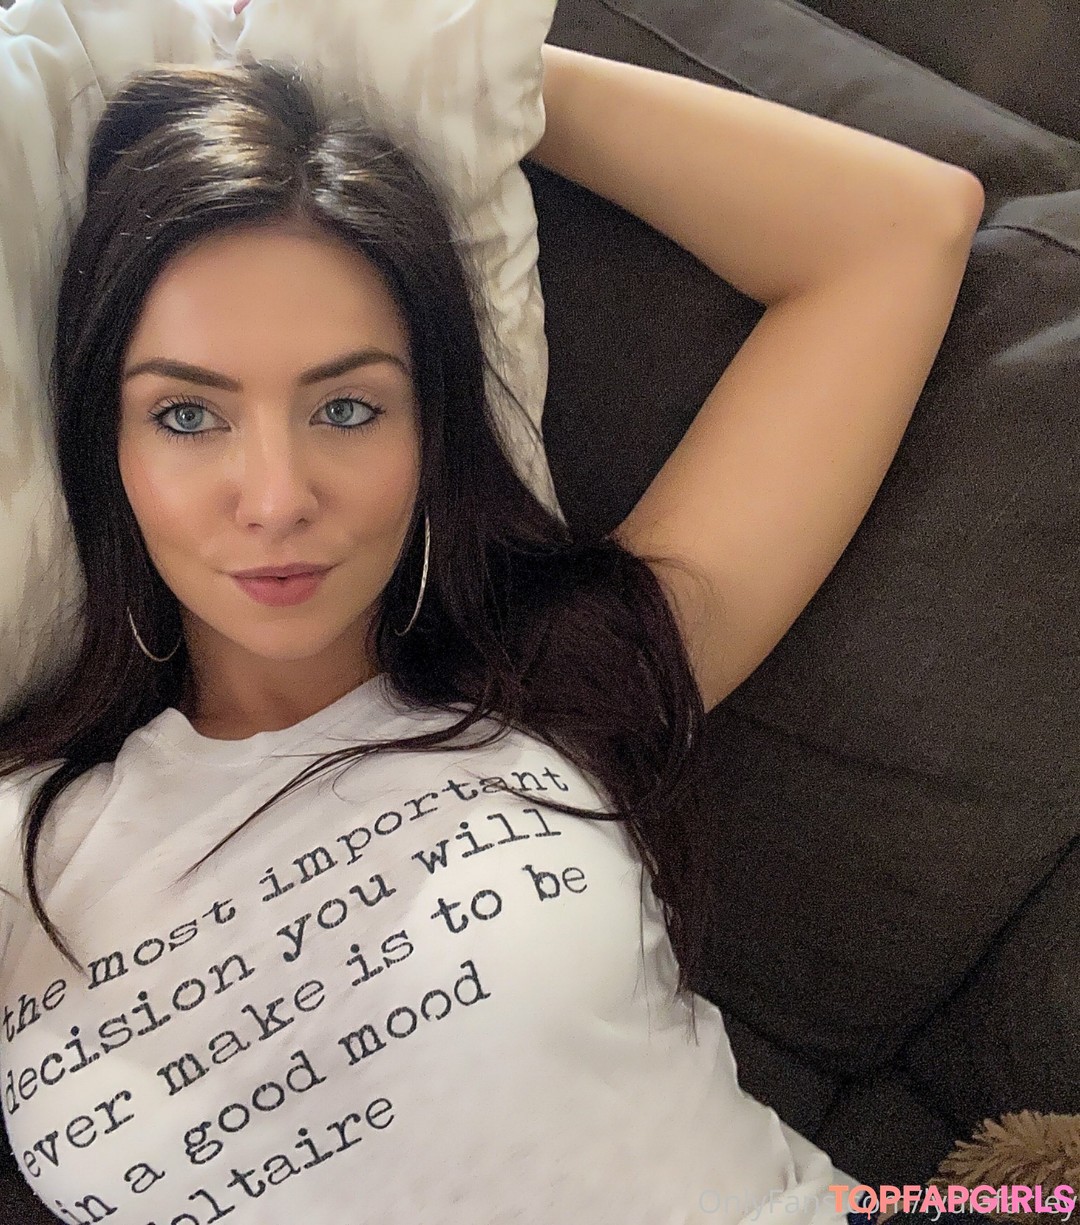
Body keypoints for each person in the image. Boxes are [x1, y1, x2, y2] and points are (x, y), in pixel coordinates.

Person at [0, 29, 983, 1225]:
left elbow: (902, 230)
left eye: (348, 407)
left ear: (431, 430)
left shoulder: (558, 685)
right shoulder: (26, 839)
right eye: (188, 415)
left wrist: (466, 61)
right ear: (104, 445)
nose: (276, 497)